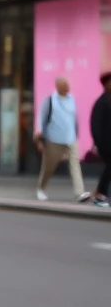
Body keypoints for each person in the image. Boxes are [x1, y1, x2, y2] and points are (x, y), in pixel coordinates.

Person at [34, 77, 90, 203]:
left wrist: (76, 134)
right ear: (57, 87)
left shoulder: (71, 99)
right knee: (49, 167)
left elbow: (74, 118)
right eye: (64, 85)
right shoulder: (49, 101)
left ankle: (79, 193)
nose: (67, 87)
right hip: (54, 139)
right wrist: (40, 137)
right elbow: (42, 119)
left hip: (70, 139)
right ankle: (41, 189)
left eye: (68, 85)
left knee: (75, 165)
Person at [90, 72, 111, 208]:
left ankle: (102, 194)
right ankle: (99, 194)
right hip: (106, 144)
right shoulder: (103, 101)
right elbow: (96, 125)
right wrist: (99, 144)